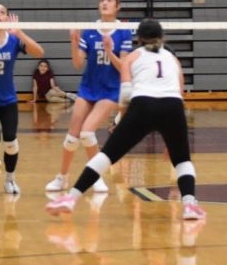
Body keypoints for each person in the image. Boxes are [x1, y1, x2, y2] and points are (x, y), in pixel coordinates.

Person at [46, 19, 205, 220]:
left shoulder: (132, 57)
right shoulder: (173, 59)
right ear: (162, 37)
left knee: (107, 156)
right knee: (182, 160)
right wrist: (173, 137)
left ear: (138, 39)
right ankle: (190, 204)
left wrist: (121, 121)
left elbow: (125, 95)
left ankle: (71, 197)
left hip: (143, 105)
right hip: (172, 107)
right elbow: (180, 93)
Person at [46, 0, 133, 193]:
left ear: (117, 6)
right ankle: (62, 178)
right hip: (88, 88)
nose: (104, 3)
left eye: (109, 0)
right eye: (102, 0)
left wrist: (110, 51)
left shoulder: (124, 31)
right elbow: (78, 64)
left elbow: (124, 68)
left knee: (87, 132)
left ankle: (96, 178)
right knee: (71, 137)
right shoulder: (90, 31)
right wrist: (73, 43)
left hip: (110, 90)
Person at [0, 3, 44, 196]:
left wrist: (19, 33)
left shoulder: (13, 40)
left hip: (8, 100)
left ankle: (10, 180)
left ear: (7, 18)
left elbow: (39, 52)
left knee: (12, 142)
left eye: (2, 12)